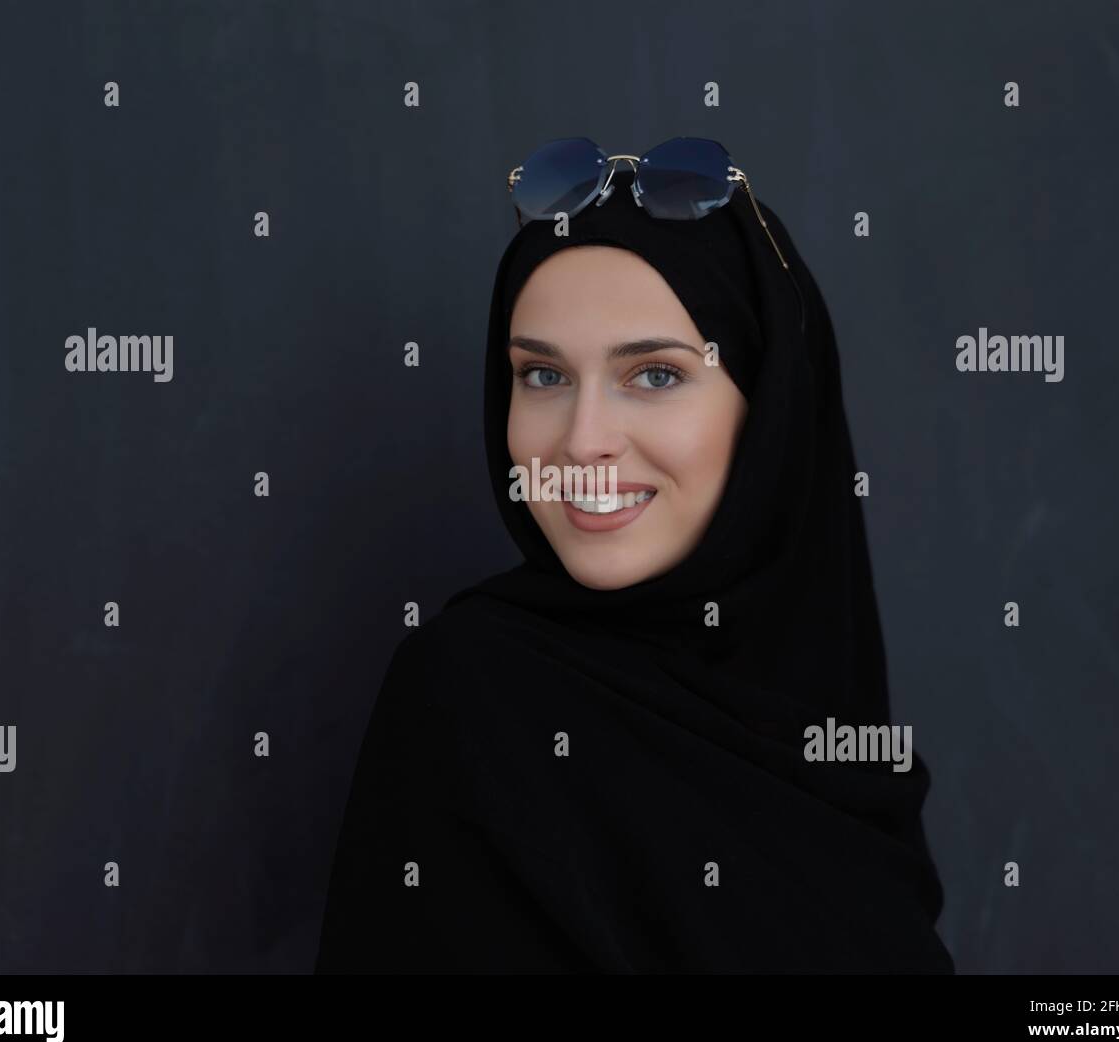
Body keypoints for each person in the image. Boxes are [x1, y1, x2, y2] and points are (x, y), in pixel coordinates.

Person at [315, 159, 954, 973]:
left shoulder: (842, 745)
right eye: (542, 375)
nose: (582, 441)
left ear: (770, 410)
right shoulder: (476, 698)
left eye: (655, 375)